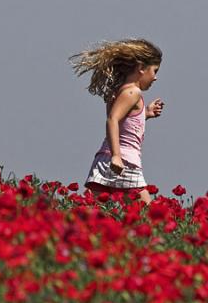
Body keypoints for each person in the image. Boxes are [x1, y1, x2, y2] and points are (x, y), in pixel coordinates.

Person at [69, 38, 165, 204]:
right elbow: (113, 119)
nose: (155, 78)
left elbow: (125, 123)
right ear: (141, 68)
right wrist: (117, 156)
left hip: (109, 159)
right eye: (154, 71)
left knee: (88, 210)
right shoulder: (132, 92)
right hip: (124, 161)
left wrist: (146, 113)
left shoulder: (121, 90)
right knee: (148, 215)